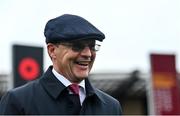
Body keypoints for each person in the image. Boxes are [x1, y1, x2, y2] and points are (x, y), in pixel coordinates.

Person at [0, 14, 122, 115]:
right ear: (52, 50)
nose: (88, 54)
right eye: (77, 46)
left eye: (92, 46)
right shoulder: (18, 101)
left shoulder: (111, 107)